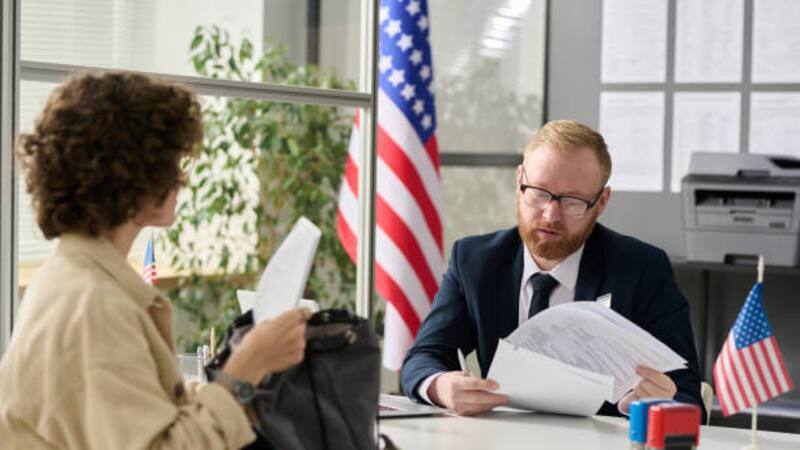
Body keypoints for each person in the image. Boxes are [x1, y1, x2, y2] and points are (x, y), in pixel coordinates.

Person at [0, 72, 310, 449]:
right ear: (132, 177)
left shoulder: (73, 280)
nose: (180, 179)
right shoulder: (95, 304)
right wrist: (248, 365)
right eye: (170, 163)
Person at [400, 119, 704, 420]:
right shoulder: (475, 261)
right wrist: (441, 387)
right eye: (539, 192)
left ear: (601, 202)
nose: (551, 215)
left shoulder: (642, 270)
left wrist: (653, 403)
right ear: (519, 182)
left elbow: (688, 397)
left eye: (572, 201)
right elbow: (423, 358)